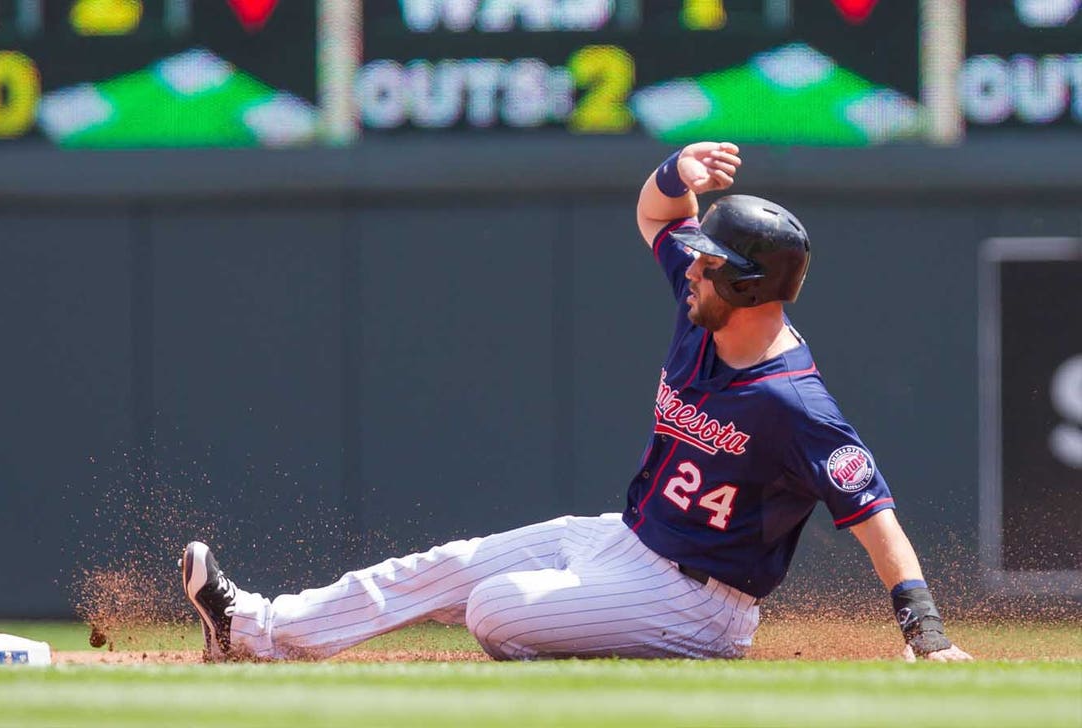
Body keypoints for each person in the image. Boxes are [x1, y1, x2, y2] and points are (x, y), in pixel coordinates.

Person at [180, 141, 972, 663]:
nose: (687, 267)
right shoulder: (705, 313)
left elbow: (876, 520)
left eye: (706, 263)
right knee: (448, 567)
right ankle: (252, 629)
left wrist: (926, 635)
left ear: (744, 285)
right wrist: (676, 172)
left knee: (494, 608)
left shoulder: (795, 403)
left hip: (699, 604)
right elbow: (657, 213)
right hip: (625, 543)